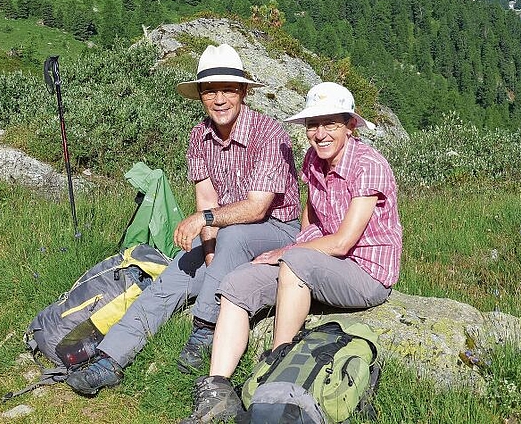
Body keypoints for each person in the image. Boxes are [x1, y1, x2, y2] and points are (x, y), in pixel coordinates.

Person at [66, 43, 301, 395]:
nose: (219, 99)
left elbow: (257, 208)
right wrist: (210, 254)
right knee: (172, 279)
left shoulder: (269, 133)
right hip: (225, 234)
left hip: (276, 230)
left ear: (243, 92)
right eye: (210, 91)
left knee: (234, 238)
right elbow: (207, 199)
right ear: (201, 96)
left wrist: (205, 223)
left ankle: (204, 327)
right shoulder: (198, 137)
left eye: (228, 89)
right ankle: (110, 359)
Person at [181, 82, 403, 423]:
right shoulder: (313, 159)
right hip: (320, 264)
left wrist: (289, 253)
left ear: (349, 125)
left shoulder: (367, 165)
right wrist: (291, 247)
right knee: (238, 283)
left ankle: (276, 369)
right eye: (313, 125)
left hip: (365, 273)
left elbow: (344, 241)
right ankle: (217, 389)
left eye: (330, 124)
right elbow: (312, 213)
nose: (319, 133)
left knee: (295, 262)